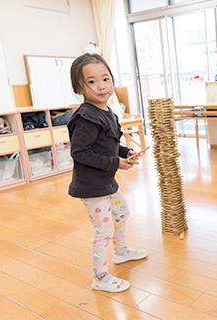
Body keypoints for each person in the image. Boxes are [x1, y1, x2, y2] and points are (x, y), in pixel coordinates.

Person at [68, 53, 147, 293]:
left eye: (105, 78)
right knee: (103, 231)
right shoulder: (85, 118)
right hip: (91, 186)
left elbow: (109, 143)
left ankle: (121, 252)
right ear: (78, 87)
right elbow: (80, 152)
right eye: (91, 81)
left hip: (105, 181)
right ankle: (100, 276)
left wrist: (126, 151)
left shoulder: (108, 112)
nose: (101, 86)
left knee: (122, 214)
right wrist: (115, 163)